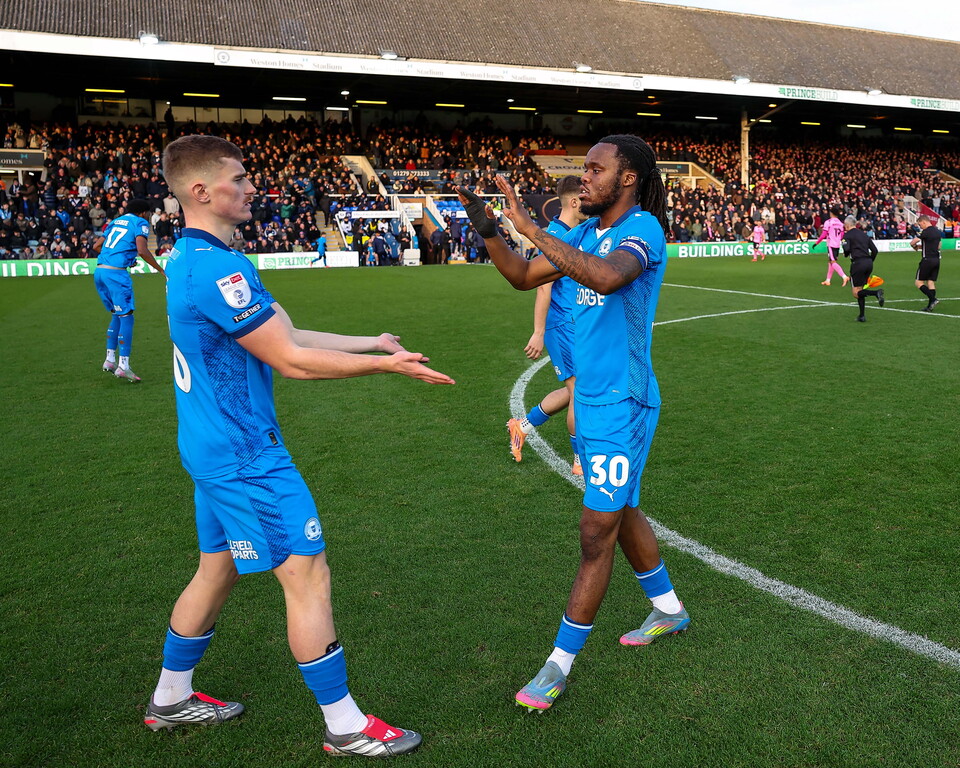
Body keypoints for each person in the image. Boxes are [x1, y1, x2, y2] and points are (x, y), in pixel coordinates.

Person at [147, 135, 454, 756]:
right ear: (201, 190)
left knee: (217, 567)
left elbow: (284, 332)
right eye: (239, 178)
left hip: (210, 447)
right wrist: (387, 368)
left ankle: (170, 697)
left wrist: (371, 342)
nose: (251, 187)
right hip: (244, 455)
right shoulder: (216, 269)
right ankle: (345, 726)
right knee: (308, 575)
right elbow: (290, 360)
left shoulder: (195, 257)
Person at [457, 134, 689, 713]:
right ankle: (668, 608)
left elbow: (607, 278)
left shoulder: (642, 231)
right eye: (583, 169)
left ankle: (558, 664)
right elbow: (521, 275)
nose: (584, 177)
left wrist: (532, 229)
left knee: (594, 531)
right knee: (619, 509)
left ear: (628, 178)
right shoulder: (583, 233)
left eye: (595, 169)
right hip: (591, 400)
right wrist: (488, 228)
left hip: (623, 402)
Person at [507, 175, 587, 475]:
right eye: (585, 198)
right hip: (562, 326)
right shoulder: (554, 237)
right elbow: (543, 288)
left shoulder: (576, 232)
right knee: (579, 392)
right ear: (574, 202)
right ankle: (580, 460)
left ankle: (523, 425)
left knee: (581, 387)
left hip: (577, 323)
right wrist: (539, 332)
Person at [92, 198, 165, 382]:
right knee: (126, 317)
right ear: (143, 212)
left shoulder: (115, 221)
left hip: (100, 271)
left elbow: (96, 246)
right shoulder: (140, 223)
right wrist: (161, 270)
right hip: (116, 275)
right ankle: (123, 366)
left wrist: (121, 258)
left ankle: (110, 359)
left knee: (117, 314)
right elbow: (142, 250)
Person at [842, 216, 883, 322]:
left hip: (857, 263)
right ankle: (862, 315)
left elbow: (846, 249)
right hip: (868, 263)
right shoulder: (864, 234)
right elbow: (875, 250)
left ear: (847, 225)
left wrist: (846, 253)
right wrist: (869, 261)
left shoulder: (847, 235)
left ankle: (876, 293)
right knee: (860, 289)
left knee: (856, 292)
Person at [911, 214, 942, 311]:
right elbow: (938, 246)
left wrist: (914, 246)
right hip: (936, 260)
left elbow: (914, 241)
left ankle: (933, 299)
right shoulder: (937, 231)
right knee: (930, 282)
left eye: (920, 225)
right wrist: (922, 247)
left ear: (924, 222)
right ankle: (930, 306)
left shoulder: (926, 232)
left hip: (927, 260)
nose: (920, 227)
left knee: (918, 282)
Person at [813, 206, 848, 285]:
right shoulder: (840, 223)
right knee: (830, 262)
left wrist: (817, 242)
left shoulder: (828, 222)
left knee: (833, 262)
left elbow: (823, 234)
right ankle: (828, 280)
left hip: (831, 244)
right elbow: (842, 235)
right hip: (837, 245)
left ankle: (844, 276)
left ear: (831, 213)